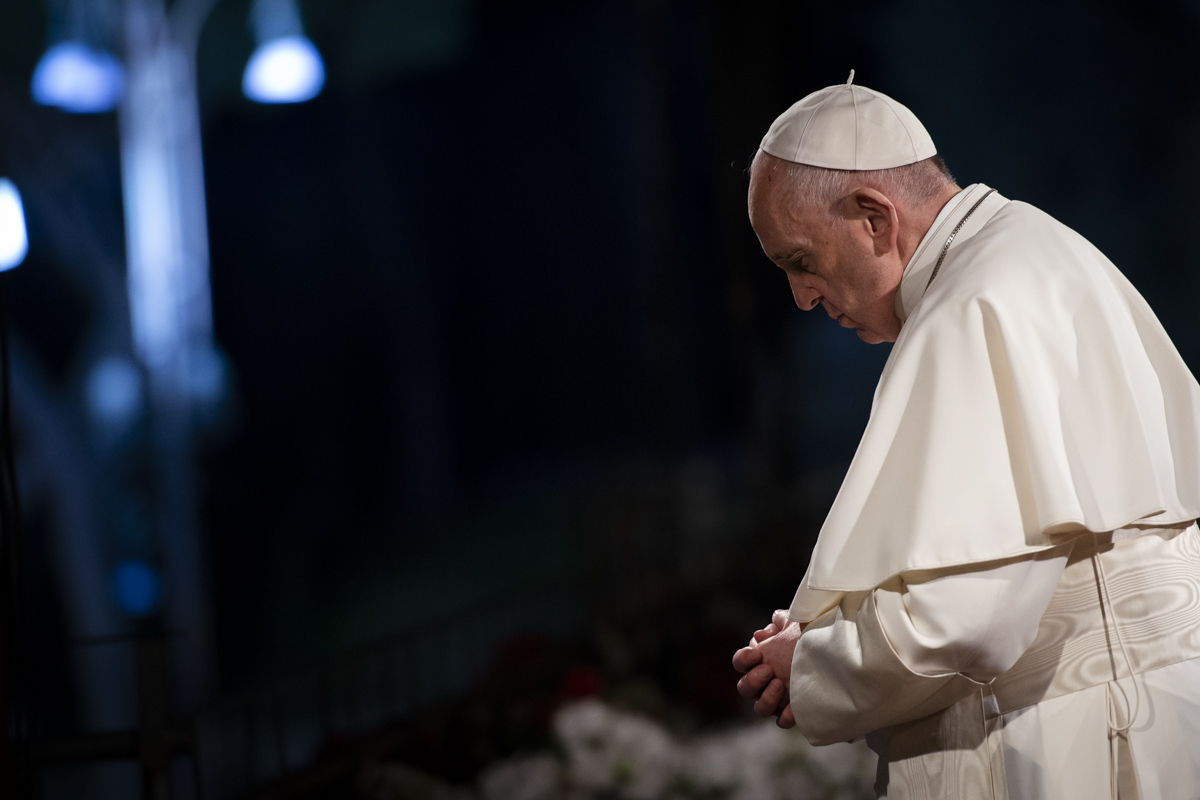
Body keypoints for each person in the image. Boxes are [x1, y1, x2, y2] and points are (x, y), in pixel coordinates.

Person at [732, 72, 1200, 799]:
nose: (802, 298)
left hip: (1074, 742)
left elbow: (966, 622)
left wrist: (816, 662)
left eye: (801, 261)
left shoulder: (969, 305)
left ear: (873, 217)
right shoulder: (1038, 249)